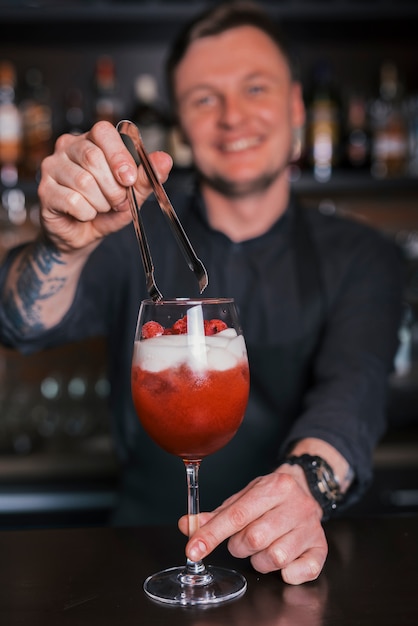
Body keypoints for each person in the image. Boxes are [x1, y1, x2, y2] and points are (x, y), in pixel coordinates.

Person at [0, 1, 403, 585]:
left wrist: (307, 481)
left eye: (255, 88)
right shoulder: (124, 231)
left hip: (296, 561)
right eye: (205, 98)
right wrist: (63, 247)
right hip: (137, 558)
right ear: (182, 123)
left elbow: (356, 390)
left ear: (296, 106)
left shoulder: (364, 255)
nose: (232, 117)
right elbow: (19, 324)